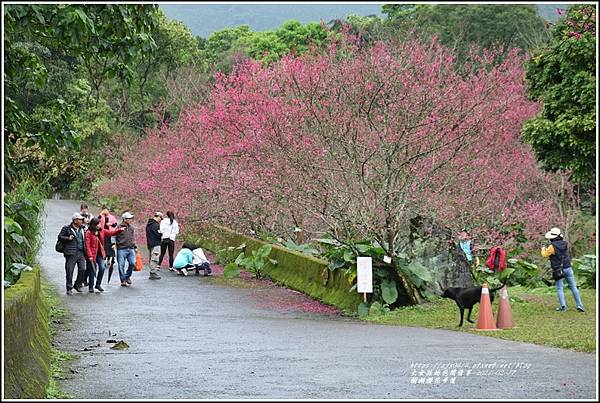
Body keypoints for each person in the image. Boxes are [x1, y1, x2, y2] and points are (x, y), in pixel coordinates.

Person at [541, 227, 585, 313]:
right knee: (573, 287)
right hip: (568, 267)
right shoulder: (565, 243)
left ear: (552, 237)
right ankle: (580, 305)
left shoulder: (551, 247)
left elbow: (544, 255)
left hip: (558, 269)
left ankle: (563, 307)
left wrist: (543, 248)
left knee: (560, 288)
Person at [84, 217, 125, 292]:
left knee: (102, 268)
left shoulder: (102, 230)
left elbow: (110, 233)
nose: (100, 224)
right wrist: (89, 256)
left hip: (100, 254)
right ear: (94, 224)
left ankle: (98, 284)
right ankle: (91, 286)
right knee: (92, 270)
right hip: (92, 255)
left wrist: (119, 230)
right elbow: (87, 245)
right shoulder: (88, 233)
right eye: (98, 223)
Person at [57, 213, 87, 295]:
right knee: (69, 271)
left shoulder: (83, 229)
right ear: (75, 220)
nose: (81, 221)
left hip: (81, 252)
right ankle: (69, 288)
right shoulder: (67, 228)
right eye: (80, 219)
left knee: (83, 269)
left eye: (81, 219)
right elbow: (60, 237)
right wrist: (68, 238)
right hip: (71, 253)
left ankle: (77, 284)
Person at [115, 211, 137, 287]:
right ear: (124, 219)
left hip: (131, 248)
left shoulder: (131, 228)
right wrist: (113, 244)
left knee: (132, 263)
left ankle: (127, 276)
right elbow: (113, 236)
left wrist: (135, 247)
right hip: (121, 249)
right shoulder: (119, 227)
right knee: (121, 265)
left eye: (131, 218)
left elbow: (133, 238)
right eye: (129, 218)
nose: (131, 220)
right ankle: (123, 280)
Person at [98, 205, 118, 279]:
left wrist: (111, 224)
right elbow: (97, 221)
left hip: (110, 233)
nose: (106, 211)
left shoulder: (111, 217)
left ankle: (109, 259)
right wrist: (100, 214)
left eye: (107, 210)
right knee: (103, 246)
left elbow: (115, 224)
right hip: (103, 233)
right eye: (104, 210)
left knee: (110, 247)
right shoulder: (101, 216)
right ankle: (104, 258)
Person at [145, 212, 163, 280]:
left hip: (150, 243)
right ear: (158, 217)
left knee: (151, 258)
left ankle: (152, 272)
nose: (161, 220)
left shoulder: (149, 224)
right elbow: (158, 235)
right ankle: (153, 272)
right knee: (155, 258)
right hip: (156, 243)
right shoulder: (155, 225)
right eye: (161, 218)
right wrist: (161, 233)